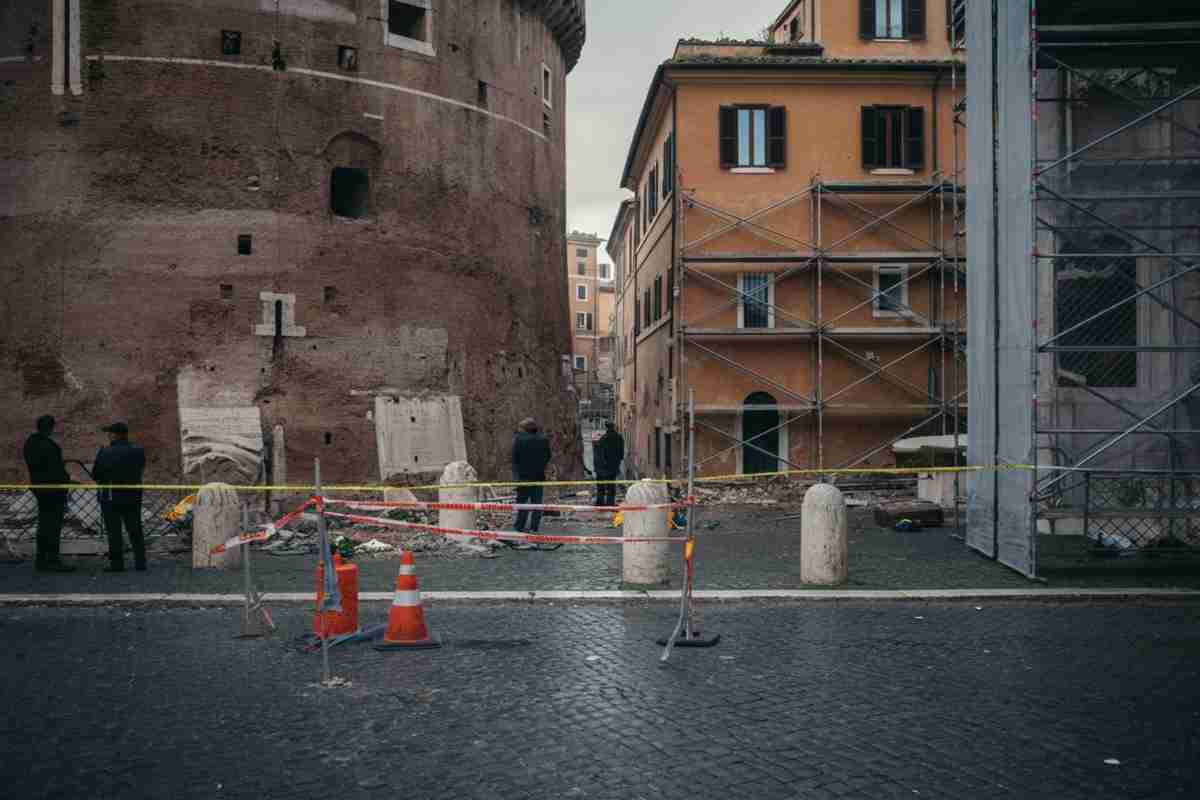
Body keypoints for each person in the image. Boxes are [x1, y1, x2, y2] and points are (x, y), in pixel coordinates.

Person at [22, 415, 76, 572]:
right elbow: (56, 470)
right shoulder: (49, 445)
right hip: (53, 490)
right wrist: (66, 479)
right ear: (51, 427)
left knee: (44, 525)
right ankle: (52, 560)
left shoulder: (30, 444)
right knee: (53, 526)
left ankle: (41, 560)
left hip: (40, 488)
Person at [92, 422, 147, 572]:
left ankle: (117, 564)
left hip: (111, 497)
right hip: (133, 495)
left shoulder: (105, 452)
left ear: (115, 435)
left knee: (114, 531)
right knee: (135, 529)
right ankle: (140, 562)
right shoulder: (138, 450)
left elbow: (96, 474)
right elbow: (140, 468)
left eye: (110, 433)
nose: (108, 436)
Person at [511, 418, 552, 539]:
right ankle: (534, 527)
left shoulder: (519, 440)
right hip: (538, 476)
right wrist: (541, 466)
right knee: (537, 503)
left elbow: (515, 458)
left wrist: (516, 474)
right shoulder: (543, 439)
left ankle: (520, 526)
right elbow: (548, 456)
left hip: (523, 477)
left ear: (524, 428)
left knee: (523, 502)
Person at [593, 422, 625, 508]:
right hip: (613, 467)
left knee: (601, 486)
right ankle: (610, 503)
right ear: (614, 427)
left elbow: (599, 454)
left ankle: (600, 502)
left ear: (606, 428)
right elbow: (621, 454)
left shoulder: (603, 439)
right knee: (611, 486)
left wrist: (598, 467)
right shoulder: (619, 438)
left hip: (602, 467)